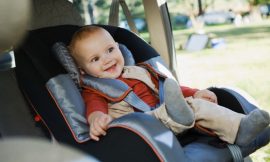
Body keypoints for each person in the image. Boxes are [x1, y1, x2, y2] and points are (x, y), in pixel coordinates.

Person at [68, 26, 269, 146]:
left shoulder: (142, 71)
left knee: (195, 105)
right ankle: (177, 115)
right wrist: (96, 119)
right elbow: (94, 109)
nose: (107, 59)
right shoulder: (94, 90)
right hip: (140, 128)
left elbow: (170, 88)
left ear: (119, 48)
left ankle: (241, 127)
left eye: (110, 49)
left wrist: (195, 93)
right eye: (95, 59)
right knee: (175, 109)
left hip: (169, 111)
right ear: (83, 71)